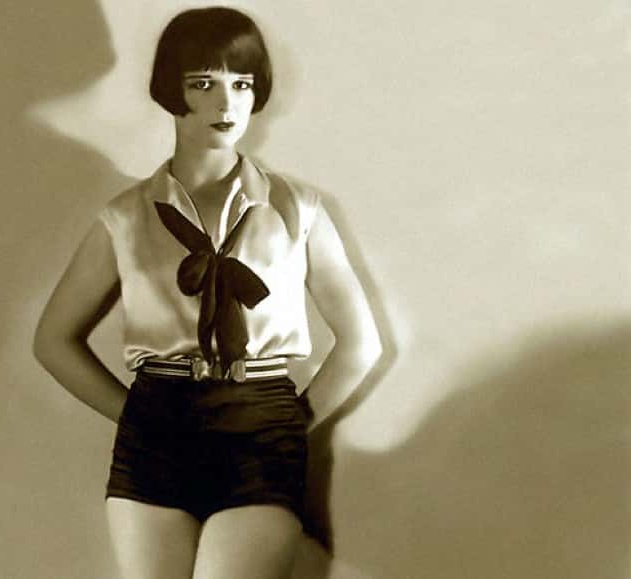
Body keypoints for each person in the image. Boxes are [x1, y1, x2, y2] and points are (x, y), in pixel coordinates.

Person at [33, 6, 382, 579]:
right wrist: (136, 415)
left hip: (260, 425)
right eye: (204, 84)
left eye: (242, 84)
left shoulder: (299, 210)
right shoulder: (125, 216)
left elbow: (360, 344)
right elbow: (52, 341)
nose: (227, 105)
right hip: (156, 431)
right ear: (172, 91)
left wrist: (290, 424)